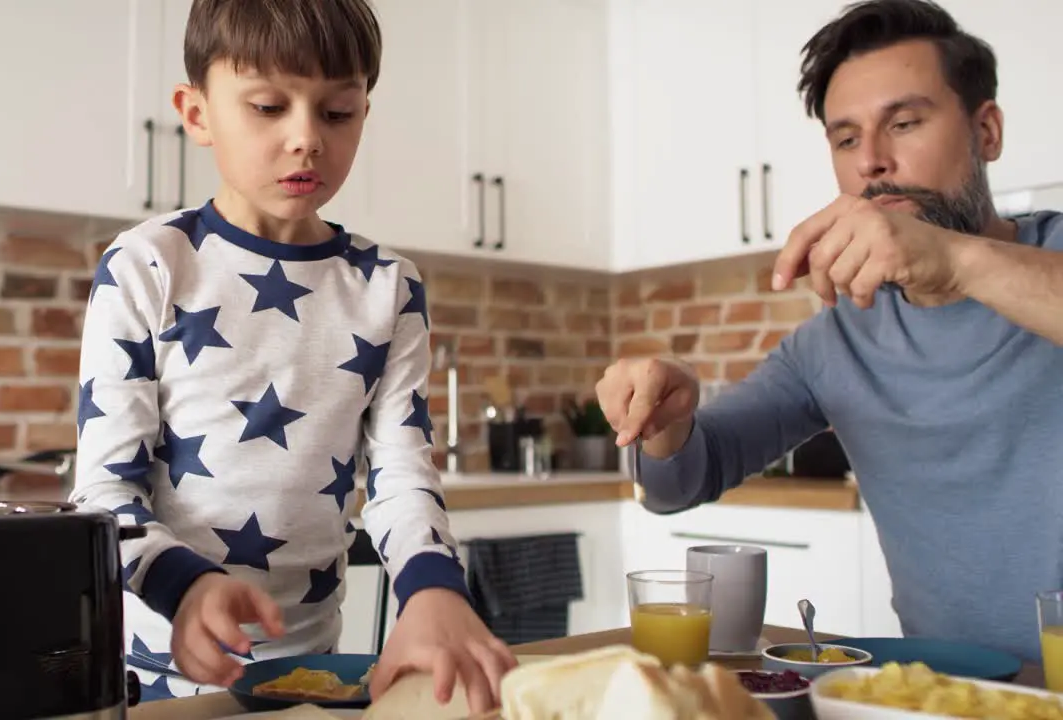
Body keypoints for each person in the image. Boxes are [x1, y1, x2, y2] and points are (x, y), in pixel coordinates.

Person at [69, 0, 515, 708]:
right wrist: (185, 590)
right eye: (269, 106)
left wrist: (433, 588)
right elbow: (102, 496)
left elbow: (399, 474)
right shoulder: (148, 266)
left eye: (337, 113)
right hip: (156, 676)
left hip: (315, 669)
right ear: (197, 114)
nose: (306, 138)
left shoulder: (387, 286)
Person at [597, 0, 1063, 664]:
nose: (872, 161)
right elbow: (675, 486)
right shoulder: (837, 343)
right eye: (846, 139)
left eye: (904, 123)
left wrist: (955, 262)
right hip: (945, 698)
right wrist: (666, 421)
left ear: (986, 131)